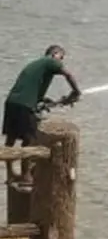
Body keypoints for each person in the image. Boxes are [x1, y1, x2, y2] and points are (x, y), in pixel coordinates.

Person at [2, 45, 82, 188]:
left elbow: (29, 89)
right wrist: (76, 92)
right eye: (61, 57)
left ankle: (10, 175)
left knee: (11, 139)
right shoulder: (50, 61)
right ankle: (26, 176)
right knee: (30, 140)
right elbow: (68, 75)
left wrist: (46, 100)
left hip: (12, 102)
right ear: (54, 54)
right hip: (25, 106)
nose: (61, 61)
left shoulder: (36, 65)